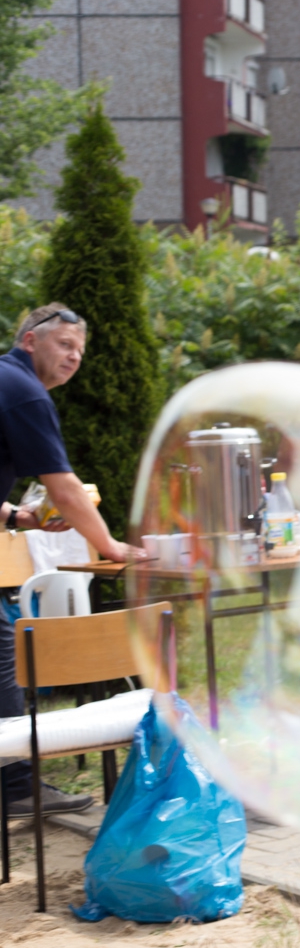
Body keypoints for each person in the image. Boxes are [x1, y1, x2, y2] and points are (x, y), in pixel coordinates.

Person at [1, 304, 136, 819]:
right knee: (0, 656)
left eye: (80, 350)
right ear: (31, 342)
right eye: (64, 345)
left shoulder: (6, 382)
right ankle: (15, 786)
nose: (75, 357)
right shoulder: (24, 391)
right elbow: (66, 488)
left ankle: (14, 784)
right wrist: (112, 547)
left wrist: (20, 518)